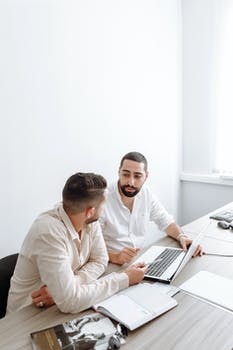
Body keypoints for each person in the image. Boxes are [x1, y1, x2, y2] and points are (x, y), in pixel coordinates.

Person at [6, 172, 146, 314]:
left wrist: (68, 287)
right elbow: (70, 302)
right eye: (103, 206)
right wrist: (125, 279)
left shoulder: (89, 220)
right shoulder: (48, 232)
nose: (103, 211)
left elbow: (100, 260)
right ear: (90, 211)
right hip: (26, 316)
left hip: (58, 306)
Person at [99, 151, 203, 265]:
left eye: (137, 176)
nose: (131, 182)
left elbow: (165, 221)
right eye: (126, 174)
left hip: (138, 260)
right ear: (119, 172)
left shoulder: (146, 194)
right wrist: (115, 257)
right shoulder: (102, 199)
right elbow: (90, 246)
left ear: (146, 176)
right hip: (109, 263)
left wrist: (182, 237)